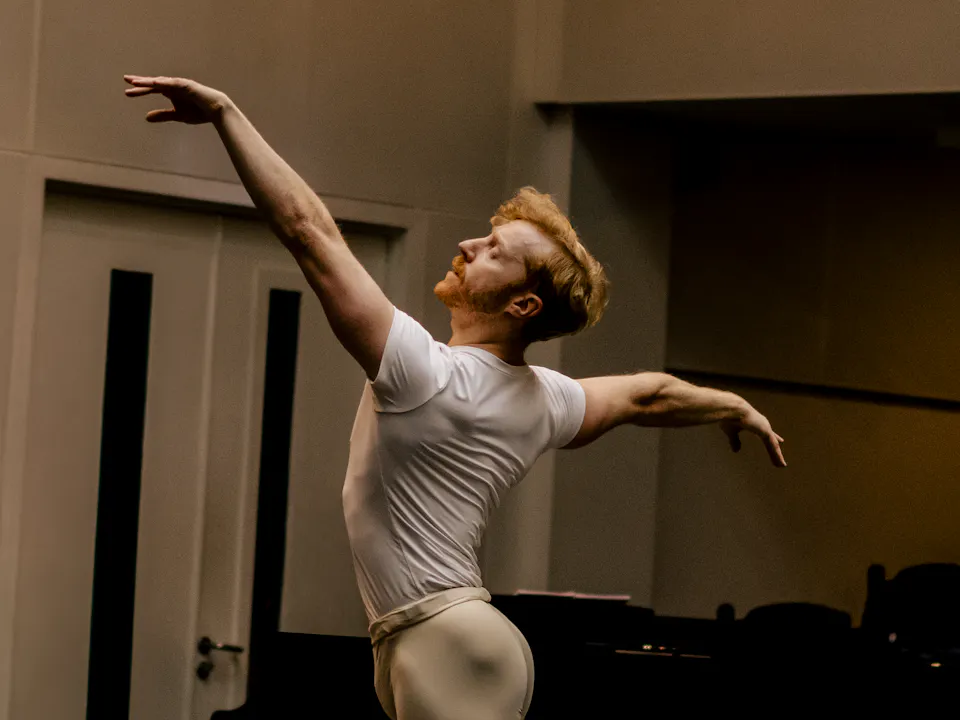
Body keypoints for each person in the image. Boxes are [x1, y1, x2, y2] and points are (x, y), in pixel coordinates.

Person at [125, 75, 787, 720]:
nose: (468, 246)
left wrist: (224, 113)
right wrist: (732, 407)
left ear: (525, 303)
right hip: (441, 639)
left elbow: (308, 232)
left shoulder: (423, 373)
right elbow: (646, 396)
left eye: (494, 250)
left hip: (447, 639)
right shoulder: (544, 398)